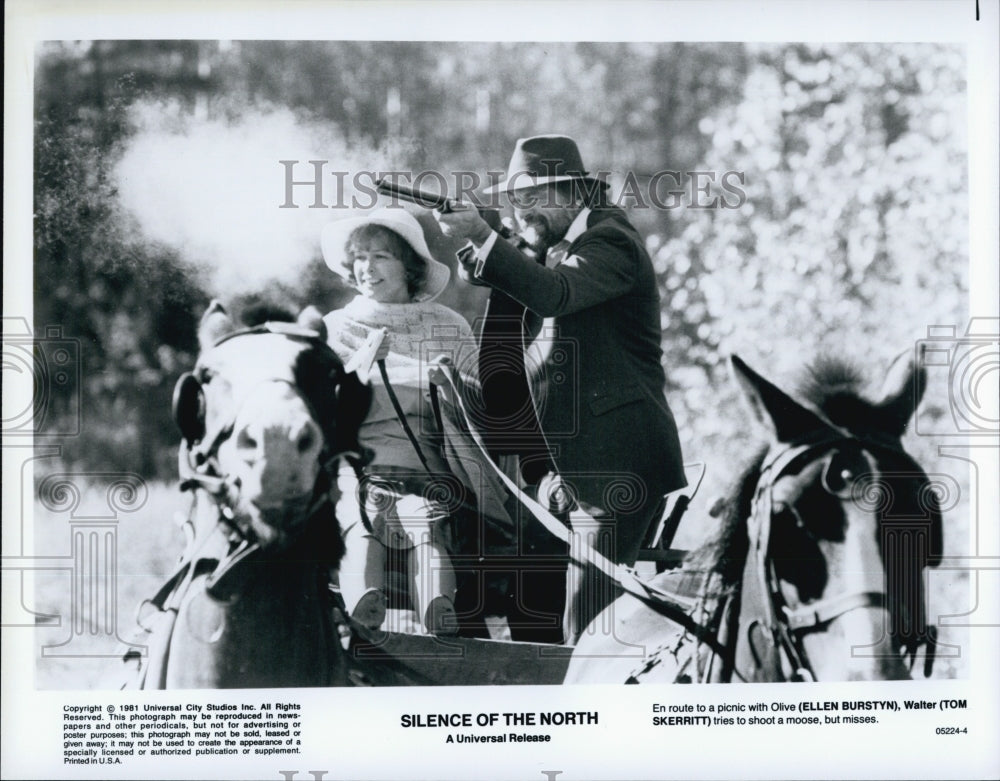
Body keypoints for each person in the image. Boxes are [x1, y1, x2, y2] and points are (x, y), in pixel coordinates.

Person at [437, 134, 686, 644]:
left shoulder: (609, 241)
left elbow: (553, 295)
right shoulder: (556, 246)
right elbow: (506, 273)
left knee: (586, 624)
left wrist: (486, 239)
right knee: (533, 616)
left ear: (572, 193)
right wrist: (488, 237)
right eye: (515, 201)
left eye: (532, 198)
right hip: (566, 471)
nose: (521, 212)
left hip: (617, 466)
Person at [320, 208, 511, 636]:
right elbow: (321, 411)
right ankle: (362, 612)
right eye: (360, 257)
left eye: (381, 256)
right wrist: (359, 370)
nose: (367, 268)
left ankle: (439, 612)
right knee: (363, 520)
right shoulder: (336, 329)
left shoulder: (449, 326)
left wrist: (452, 385)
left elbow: (484, 413)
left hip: (435, 473)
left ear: (409, 264)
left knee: (429, 523)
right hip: (362, 472)